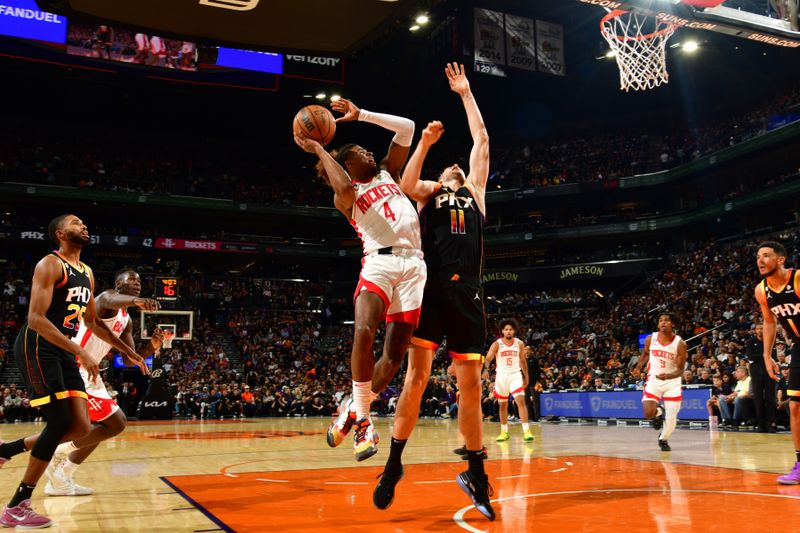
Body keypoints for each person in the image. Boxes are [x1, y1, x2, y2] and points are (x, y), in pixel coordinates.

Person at [372, 63, 495, 521]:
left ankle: (476, 474)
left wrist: (465, 93)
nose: (457, 165)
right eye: (450, 166)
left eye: (457, 165)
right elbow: (404, 184)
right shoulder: (429, 193)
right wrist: (424, 143)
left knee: (470, 386)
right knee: (416, 380)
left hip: (469, 296)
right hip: (431, 291)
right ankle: (393, 465)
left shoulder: (476, 192)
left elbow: (481, 140)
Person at [294, 97, 422, 462]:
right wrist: (319, 147)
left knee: (395, 356)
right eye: (361, 151)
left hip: (415, 266)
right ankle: (364, 421)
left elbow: (408, 127)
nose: (370, 152)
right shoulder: (346, 196)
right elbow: (345, 190)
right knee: (364, 331)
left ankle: (353, 405)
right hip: (379, 263)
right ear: (348, 164)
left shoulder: (387, 173)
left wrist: (362, 114)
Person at [0, 214, 147, 529]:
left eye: (84, 223)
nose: (84, 226)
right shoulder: (50, 265)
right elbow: (36, 317)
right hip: (38, 345)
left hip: (64, 349)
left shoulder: (88, 272)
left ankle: (5, 450)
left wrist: (128, 351)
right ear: (60, 233)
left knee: (80, 427)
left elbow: (93, 323)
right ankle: (17, 505)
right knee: (61, 421)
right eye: (76, 223)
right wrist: (81, 351)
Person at [0, 269, 162, 496]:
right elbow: (110, 299)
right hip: (75, 366)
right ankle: (54, 454)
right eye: (132, 279)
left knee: (102, 428)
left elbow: (127, 359)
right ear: (118, 283)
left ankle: (61, 478)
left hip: (92, 373)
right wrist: (137, 301)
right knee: (114, 423)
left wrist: (152, 347)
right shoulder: (105, 298)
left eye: (139, 280)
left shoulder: (126, 321)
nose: (137, 283)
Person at [753, 241, 800, 484]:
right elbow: (769, 322)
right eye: (758, 256)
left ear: (781, 260)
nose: (760, 260)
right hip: (799, 346)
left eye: (766, 256)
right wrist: (766, 355)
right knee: (795, 406)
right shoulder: (761, 290)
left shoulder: (798, 279)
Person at [633, 313, 688, 452]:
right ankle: (658, 412)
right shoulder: (650, 339)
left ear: (673, 324)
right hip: (654, 380)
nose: (663, 323)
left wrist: (669, 376)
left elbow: (680, 370)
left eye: (667, 320)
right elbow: (645, 353)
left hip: (672, 382)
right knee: (648, 413)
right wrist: (638, 367)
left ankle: (663, 438)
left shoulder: (680, 344)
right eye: (660, 320)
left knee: (671, 420)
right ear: (658, 325)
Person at [482, 319, 534, 443]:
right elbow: (488, 358)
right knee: (503, 405)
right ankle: (504, 432)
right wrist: (486, 369)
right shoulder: (497, 344)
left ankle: (526, 431)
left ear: (514, 331)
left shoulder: (519, 343)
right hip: (501, 376)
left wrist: (526, 376)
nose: (508, 331)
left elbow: (522, 360)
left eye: (510, 329)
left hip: (515, 374)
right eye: (506, 329)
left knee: (520, 401)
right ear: (502, 331)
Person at [746, 324, 778, 432]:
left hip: (769, 373)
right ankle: (761, 425)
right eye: (758, 328)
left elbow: (774, 356)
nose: (760, 330)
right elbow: (751, 356)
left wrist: (764, 356)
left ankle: (770, 424)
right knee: (758, 400)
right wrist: (765, 355)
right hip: (756, 374)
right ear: (755, 330)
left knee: (770, 399)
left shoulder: (770, 341)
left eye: (762, 328)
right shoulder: (750, 342)